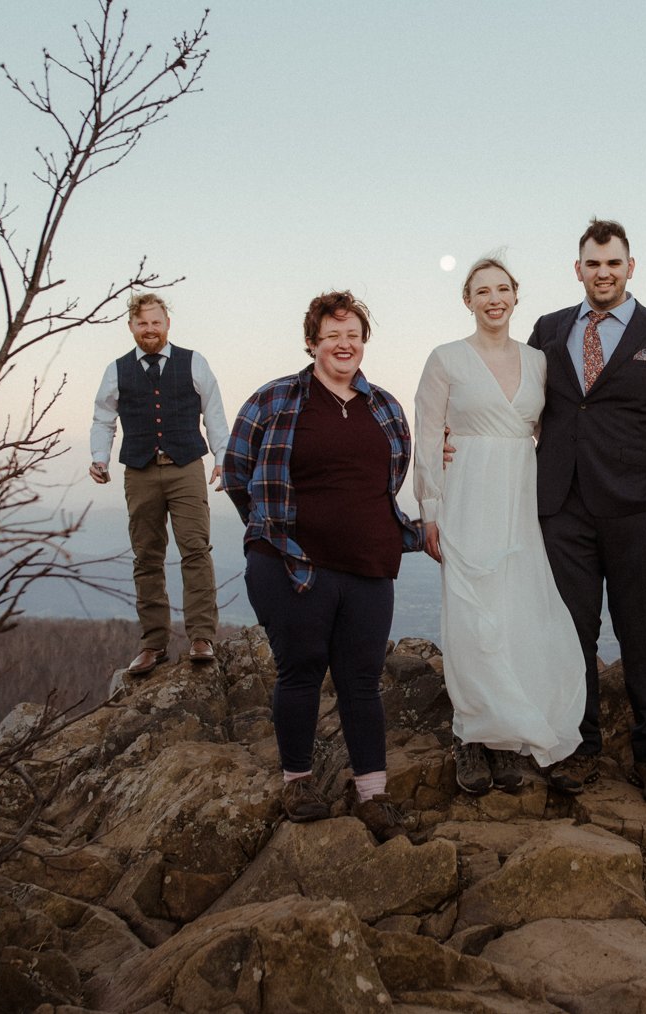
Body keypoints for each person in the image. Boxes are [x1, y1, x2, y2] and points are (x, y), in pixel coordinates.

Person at [221, 291, 424, 841]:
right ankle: (297, 781)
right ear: (312, 342)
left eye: (353, 334)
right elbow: (238, 472)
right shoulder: (274, 399)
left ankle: (373, 797)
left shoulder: (383, 407)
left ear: (363, 341)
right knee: (302, 668)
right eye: (332, 335)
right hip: (290, 563)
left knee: (362, 680)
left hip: (366, 565)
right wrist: (271, 527)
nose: (344, 344)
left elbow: (392, 476)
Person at [527, 218, 646, 806]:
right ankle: (580, 748)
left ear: (631, 267)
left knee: (638, 633)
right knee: (572, 633)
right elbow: (522, 405)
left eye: (613, 264)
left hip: (635, 510)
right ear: (578, 270)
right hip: (562, 507)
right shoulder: (548, 329)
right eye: (593, 264)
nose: (603, 274)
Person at [413, 256, 586, 795]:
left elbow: (545, 430)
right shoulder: (445, 359)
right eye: (482, 290)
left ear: (516, 296)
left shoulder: (538, 362)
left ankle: (506, 734)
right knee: (471, 611)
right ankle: (471, 732)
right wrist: (430, 509)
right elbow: (426, 435)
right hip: (466, 493)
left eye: (503, 289)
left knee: (515, 609)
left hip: (519, 497)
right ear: (468, 300)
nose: (494, 299)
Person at [88, 293, 229, 677]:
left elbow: (213, 412)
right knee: (146, 556)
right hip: (139, 470)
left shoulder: (193, 362)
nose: (150, 330)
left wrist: (223, 457)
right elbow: (103, 419)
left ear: (168, 323)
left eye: (156, 322)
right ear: (131, 327)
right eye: (142, 323)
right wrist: (99, 457)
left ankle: (201, 637)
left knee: (195, 549)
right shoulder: (116, 370)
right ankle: (153, 644)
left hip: (186, 467)